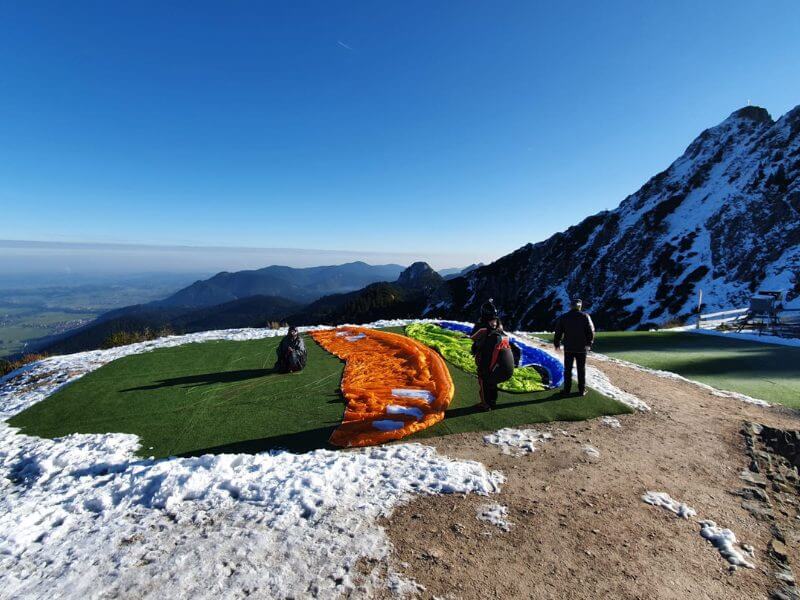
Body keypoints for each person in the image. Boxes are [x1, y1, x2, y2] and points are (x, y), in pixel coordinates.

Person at [470, 316, 517, 410]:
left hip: (498, 370)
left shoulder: (490, 338)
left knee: (484, 379)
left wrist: (483, 371)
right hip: (507, 371)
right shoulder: (502, 336)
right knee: (492, 381)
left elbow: (486, 361)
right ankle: (492, 402)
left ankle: (485, 405)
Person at [553, 298, 595, 396]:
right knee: (581, 369)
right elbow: (591, 331)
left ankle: (566, 390)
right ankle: (581, 390)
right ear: (580, 306)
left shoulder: (564, 317)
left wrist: (557, 344)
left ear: (570, 306)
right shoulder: (585, 316)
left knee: (567, 370)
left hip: (569, 348)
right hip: (581, 348)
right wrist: (589, 344)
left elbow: (558, 332)